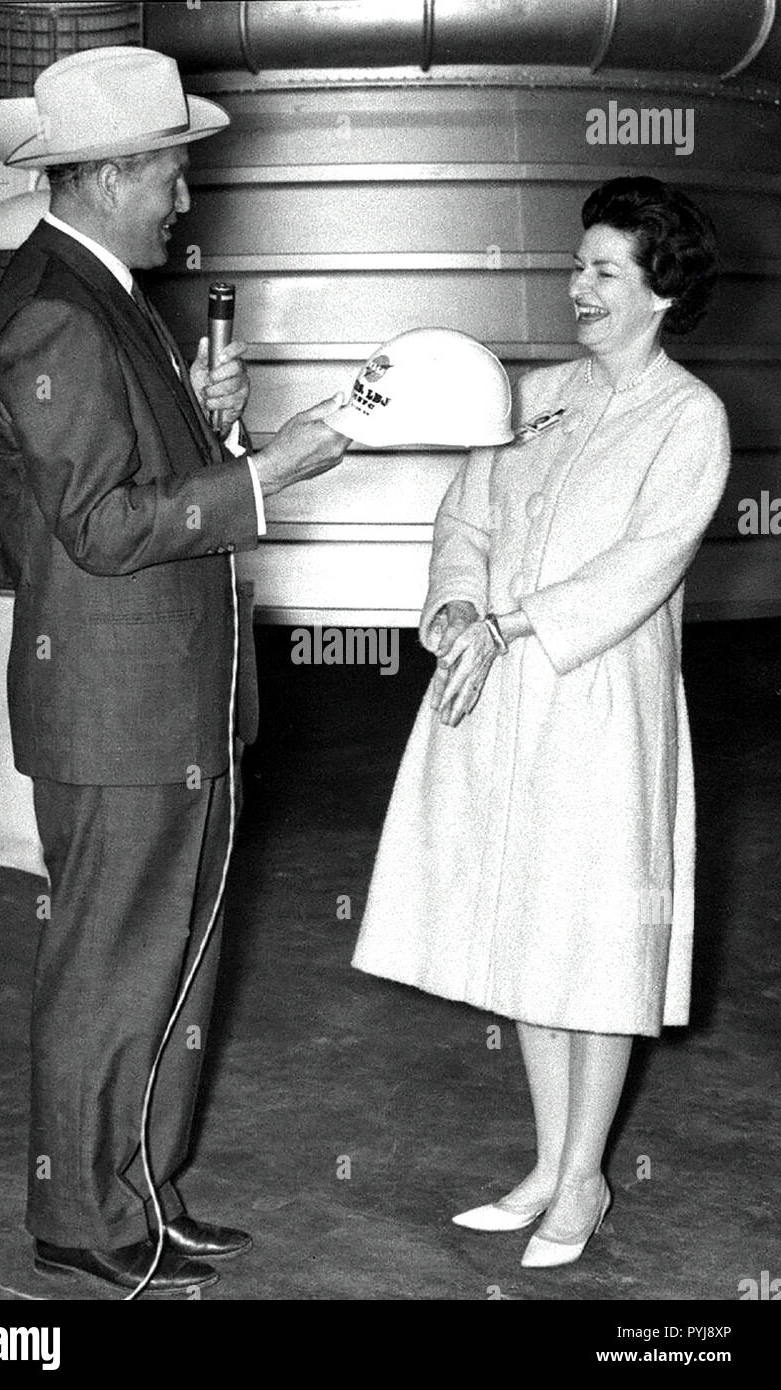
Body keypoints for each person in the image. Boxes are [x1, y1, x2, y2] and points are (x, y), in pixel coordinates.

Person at [0, 46, 348, 1293]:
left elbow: (117, 474)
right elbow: (102, 526)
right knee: (109, 965)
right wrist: (263, 473)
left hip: (161, 702)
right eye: (172, 174)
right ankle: (77, 1218)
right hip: (116, 712)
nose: (184, 198)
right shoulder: (54, 310)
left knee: (173, 959)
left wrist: (198, 413)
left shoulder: (107, 296)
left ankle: (138, 1186)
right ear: (112, 171)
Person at [352, 176, 730, 1267]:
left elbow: (641, 565)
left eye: (603, 270)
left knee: (592, 942)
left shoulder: (690, 417)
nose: (578, 286)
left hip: (598, 703)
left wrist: (513, 620)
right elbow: (462, 517)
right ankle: (544, 1160)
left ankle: (582, 1182)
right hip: (494, 686)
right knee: (523, 931)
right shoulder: (531, 395)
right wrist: (461, 602)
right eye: (577, 265)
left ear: (659, 293)